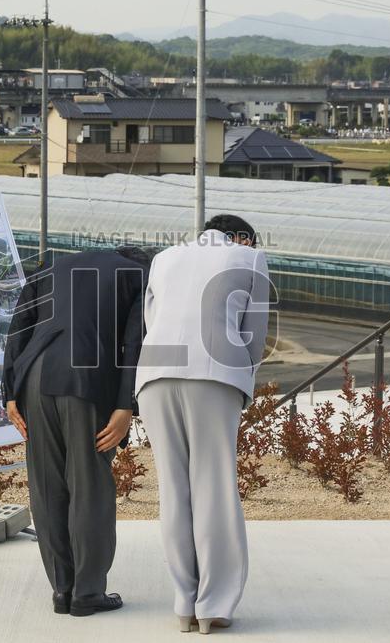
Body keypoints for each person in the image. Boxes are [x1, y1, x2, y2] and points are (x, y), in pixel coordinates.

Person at [135, 215, 270, 635]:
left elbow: (151, 320)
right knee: (214, 488)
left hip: (154, 374)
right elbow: (254, 335)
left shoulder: (163, 258)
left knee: (173, 490)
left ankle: (184, 602)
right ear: (242, 238)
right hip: (215, 373)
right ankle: (213, 605)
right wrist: (242, 383)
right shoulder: (250, 258)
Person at [1, 247, 147, 617]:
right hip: (85, 379)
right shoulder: (139, 275)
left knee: (47, 485)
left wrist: (10, 392)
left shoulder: (53, 265)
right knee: (89, 485)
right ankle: (88, 593)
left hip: (34, 378)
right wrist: (126, 404)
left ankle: (62, 590)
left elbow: (19, 326)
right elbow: (135, 343)